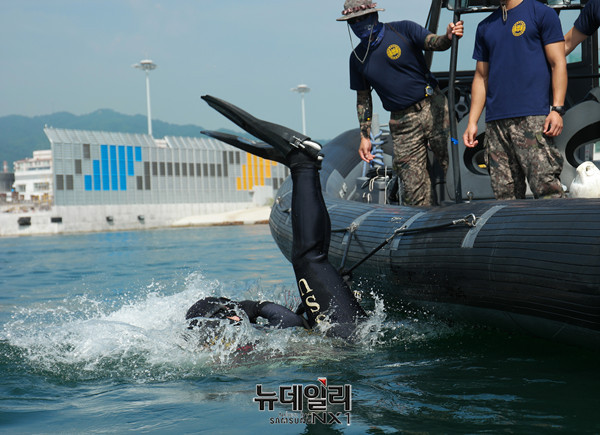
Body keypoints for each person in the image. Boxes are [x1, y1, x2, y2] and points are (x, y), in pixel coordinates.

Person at [189, 95, 368, 340]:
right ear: (228, 316)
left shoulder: (235, 347)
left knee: (315, 261)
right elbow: (290, 321)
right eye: (229, 306)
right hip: (348, 340)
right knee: (308, 259)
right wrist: (255, 307)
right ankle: (302, 163)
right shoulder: (241, 343)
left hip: (345, 342)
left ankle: (305, 167)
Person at [336, 0, 464, 206]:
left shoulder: (403, 29)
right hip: (401, 122)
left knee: (449, 162)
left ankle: (461, 208)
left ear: (374, 15)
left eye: (363, 18)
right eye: (353, 21)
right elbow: (363, 98)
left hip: (433, 107)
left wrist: (448, 37)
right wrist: (365, 135)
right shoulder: (357, 58)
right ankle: (422, 224)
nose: (359, 24)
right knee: (412, 185)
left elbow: (434, 42)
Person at [462, 0, 567, 200]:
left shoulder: (541, 13)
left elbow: (558, 63)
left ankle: (558, 231)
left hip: (533, 118)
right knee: (505, 196)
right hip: (496, 125)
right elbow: (481, 77)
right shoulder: (485, 26)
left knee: (547, 190)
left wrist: (557, 109)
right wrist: (472, 122)